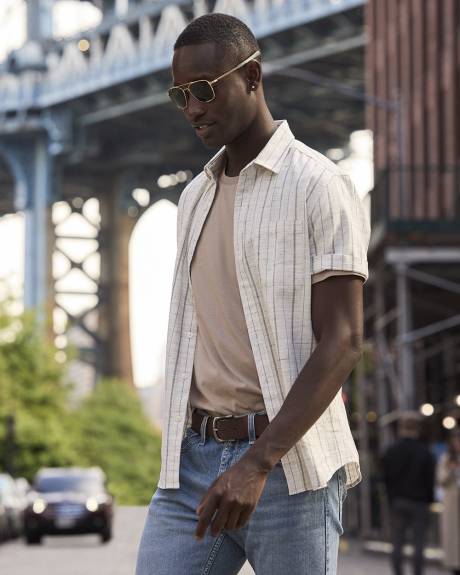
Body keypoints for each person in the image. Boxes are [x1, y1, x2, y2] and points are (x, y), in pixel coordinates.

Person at [136, 13, 370, 575]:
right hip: (194, 460)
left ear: (253, 77)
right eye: (180, 95)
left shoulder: (321, 186)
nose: (192, 108)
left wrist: (257, 463)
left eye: (204, 90)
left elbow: (342, 340)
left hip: (290, 465)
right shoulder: (194, 196)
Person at [382, 412, 436, 575]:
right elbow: (430, 480)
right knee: (419, 543)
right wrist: (429, 500)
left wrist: (391, 499)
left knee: (397, 542)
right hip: (420, 503)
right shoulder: (425, 452)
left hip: (398, 501)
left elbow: (385, 478)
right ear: (417, 429)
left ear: (401, 428)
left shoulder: (391, 451)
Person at [437, 429, 460, 575]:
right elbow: (441, 480)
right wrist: (451, 470)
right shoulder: (446, 459)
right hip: (453, 503)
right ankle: (455, 565)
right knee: (454, 536)